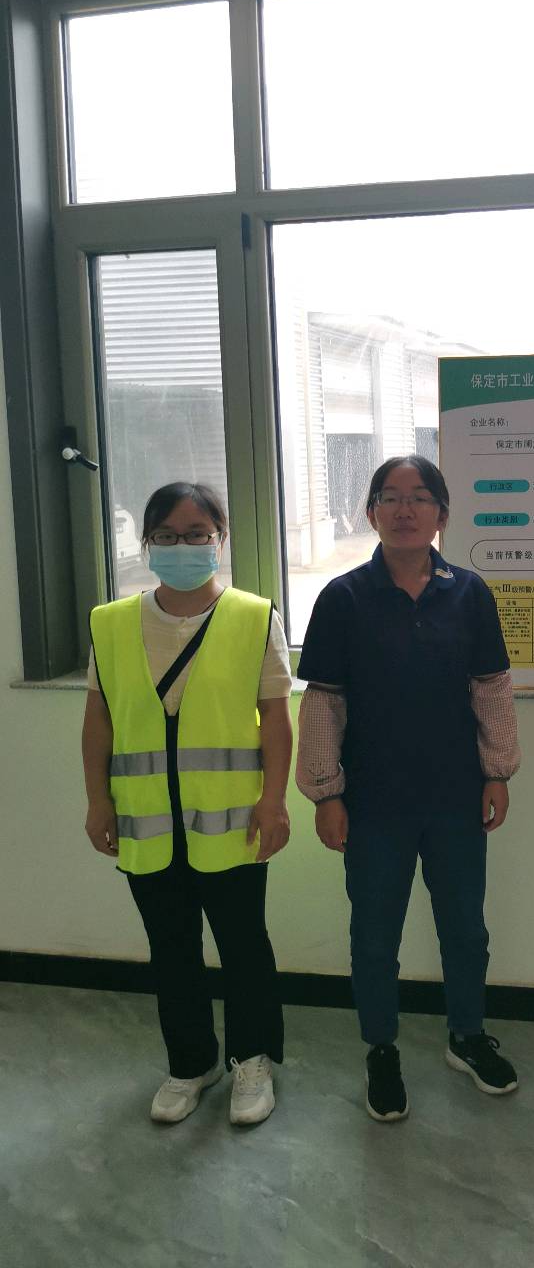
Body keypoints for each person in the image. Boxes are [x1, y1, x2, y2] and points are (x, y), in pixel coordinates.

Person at [295, 455, 521, 1123]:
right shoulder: (342, 598)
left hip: (455, 797)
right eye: (390, 497)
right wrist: (326, 793)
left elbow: (492, 690)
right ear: (370, 513)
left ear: (441, 515)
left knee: (465, 931)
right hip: (373, 803)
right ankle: (381, 1048)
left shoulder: (469, 592)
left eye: (420, 497)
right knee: (374, 936)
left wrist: (497, 772)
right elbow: (324, 703)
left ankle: (467, 1036)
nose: (404, 509)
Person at [82, 482, 293, 1127]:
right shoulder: (110, 623)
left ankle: (251, 1061)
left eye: (197, 534)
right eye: (168, 536)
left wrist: (275, 803)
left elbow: (276, 718)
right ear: (147, 543)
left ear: (220, 540)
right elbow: (98, 721)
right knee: (171, 949)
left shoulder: (254, 617)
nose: (183, 546)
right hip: (145, 822)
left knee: (243, 946)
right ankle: (191, 1063)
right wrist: (97, 802)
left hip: (231, 821)